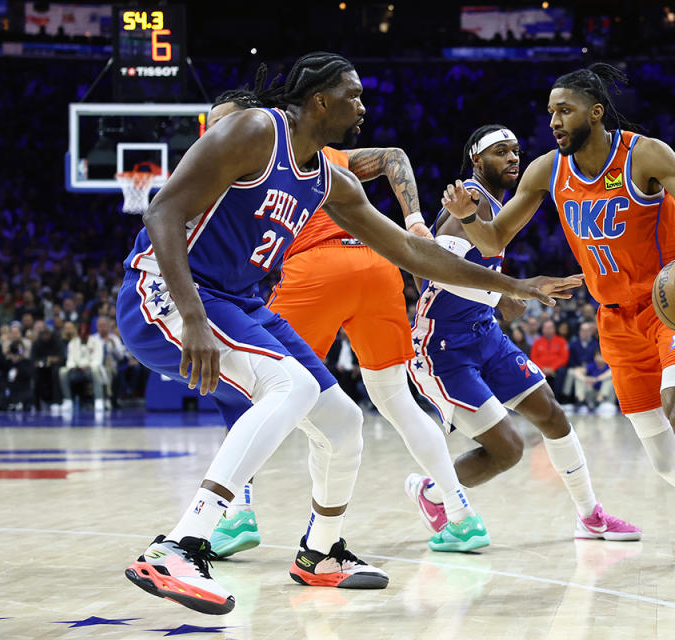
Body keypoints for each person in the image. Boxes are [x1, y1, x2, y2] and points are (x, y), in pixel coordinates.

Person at [118, 52, 580, 615]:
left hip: (237, 301)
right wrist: (191, 318)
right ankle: (179, 546)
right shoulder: (255, 129)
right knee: (289, 387)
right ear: (319, 101)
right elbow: (162, 211)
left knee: (342, 422)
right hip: (168, 292)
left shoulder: (330, 180)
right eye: (353, 96)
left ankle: (320, 553)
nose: (363, 107)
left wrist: (518, 284)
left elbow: (412, 251)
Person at [441, 63, 675, 600]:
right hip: (614, 321)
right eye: (550, 111)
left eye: (565, 110)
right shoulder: (546, 171)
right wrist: (466, 217)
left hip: (670, 309)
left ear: (595, 113)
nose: (553, 120)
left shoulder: (645, 154)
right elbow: (493, 239)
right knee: (665, 460)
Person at [202, 69, 490, 556]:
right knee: (396, 399)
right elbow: (395, 156)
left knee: (253, 390)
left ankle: (236, 514)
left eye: (220, 127)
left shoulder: (244, 164)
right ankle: (461, 516)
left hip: (316, 269)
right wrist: (416, 222)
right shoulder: (326, 156)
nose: (215, 138)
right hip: (377, 266)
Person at [407, 124, 641, 545]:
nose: (513, 158)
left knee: (552, 414)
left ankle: (591, 516)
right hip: (442, 344)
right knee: (508, 449)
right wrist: (508, 291)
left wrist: (499, 297)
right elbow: (434, 273)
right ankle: (432, 493)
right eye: (501, 152)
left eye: (515, 150)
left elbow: (480, 275)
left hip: (483, 333)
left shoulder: (497, 205)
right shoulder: (472, 200)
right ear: (477, 161)